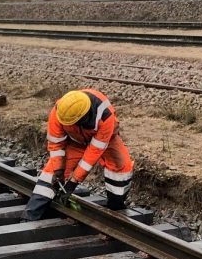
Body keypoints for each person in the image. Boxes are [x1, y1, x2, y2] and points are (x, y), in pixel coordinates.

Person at [22, 88, 135, 221]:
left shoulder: (105, 116)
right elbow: (56, 145)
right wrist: (59, 169)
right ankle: (31, 215)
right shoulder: (59, 113)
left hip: (106, 139)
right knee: (50, 173)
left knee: (121, 166)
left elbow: (93, 153)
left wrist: (74, 182)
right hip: (75, 141)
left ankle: (116, 210)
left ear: (83, 117)